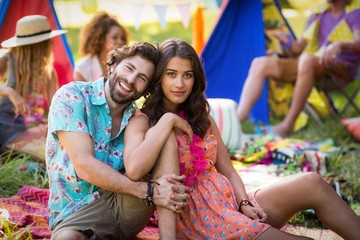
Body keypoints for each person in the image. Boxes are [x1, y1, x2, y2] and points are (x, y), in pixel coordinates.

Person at [124, 38, 360, 239]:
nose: (180, 83)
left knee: (312, 182)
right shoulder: (145, 121)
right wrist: (168, 121)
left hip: (229, 203)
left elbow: (227, 169)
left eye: (187, 75)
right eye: (171, 74)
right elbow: (134, 169)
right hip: (198, 218)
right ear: (159, 77)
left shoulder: (200, 113)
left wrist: (243, 204)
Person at [46, 41, 190, 240]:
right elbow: (84, 164)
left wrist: (168, 120)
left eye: (142, 78)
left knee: (162, 135)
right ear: (113, 64)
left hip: (125, 208)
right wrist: (148, 192)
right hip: (76, 212)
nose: (131, 79)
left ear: (145, 89)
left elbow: (139, 168)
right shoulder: (72, 97)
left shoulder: (137, 119)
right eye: (129, 68)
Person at [237, 0, 360, 136]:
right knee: (260, 63)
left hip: (341, 69)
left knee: (307, 59)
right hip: (311, 64)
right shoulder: (319, 12)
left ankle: (287, 125)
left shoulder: (354, 12)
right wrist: (287, 43)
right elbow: (299, 47)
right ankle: (237, 121)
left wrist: (341, 44)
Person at [0, 15, 66, 154]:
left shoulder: (47, 70)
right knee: (52, 153)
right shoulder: (6, 62)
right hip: (5, 131)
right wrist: (9, 91)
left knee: (62, 150)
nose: (51, 45)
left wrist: (50, 124)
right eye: (48, 41)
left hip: (28, 130)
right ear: (37, 46)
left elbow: (57, 106)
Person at [73, 12, 128, 82]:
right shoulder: (83, 68)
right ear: (100, 39)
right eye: (114, 37)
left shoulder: (125, 64)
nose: (120, 42)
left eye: (122, 38)